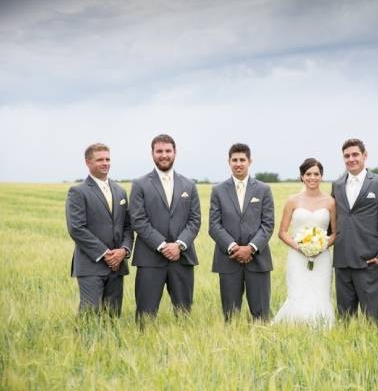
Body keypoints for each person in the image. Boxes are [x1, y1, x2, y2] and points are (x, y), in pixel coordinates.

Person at [129, 134, 201, 319]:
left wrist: (179, 245)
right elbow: (138, 220)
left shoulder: (189, 185)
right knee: (145, 316)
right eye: (159, 151)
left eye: (168, 151)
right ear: (152, 153)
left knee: (184, 315)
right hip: (150, 259)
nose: (164, 155)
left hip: (182, 258)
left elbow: (195, 220)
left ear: (175, 153)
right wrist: (162, 245)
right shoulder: (140, 184)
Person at [331, 138, 378, 323]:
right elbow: (334, 220)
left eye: (355, 155)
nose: (351, 159)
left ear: (364, 155)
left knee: (373, 320)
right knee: (344, 321)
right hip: (342, 261)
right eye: (346, 156)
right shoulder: (337, 185)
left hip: (369, 261)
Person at [209, 143, 274, 321]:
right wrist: (234, 248)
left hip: (258, 260)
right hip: (228, 260)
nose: (238, 164)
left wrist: (251, 248)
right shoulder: (218, 191)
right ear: (229, 162)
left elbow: (268, 225)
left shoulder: (263, 190)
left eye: (242, 160)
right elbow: (214, 225)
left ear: (249, 161)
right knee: (230, 316)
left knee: (261, 315)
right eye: (234, 160)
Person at [66, 143, 133, 316]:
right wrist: (105, 253)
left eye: (108, 159)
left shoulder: (120, 191)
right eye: (100, 160)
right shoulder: (78, 192)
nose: (105, 163)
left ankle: (109, 344)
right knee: (90, 315)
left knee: (113, 316)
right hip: (91, 265)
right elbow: (76, 228)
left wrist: (123, 251)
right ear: (88, 163)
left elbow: (127, 226)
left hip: (117, 265)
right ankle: (84, 345)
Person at [274, 158, 336, 326]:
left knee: (321, 292)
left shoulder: (330, 202)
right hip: (297, 256)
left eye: (316, 174)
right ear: (302, 176)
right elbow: (282, 232)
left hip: (322, 256)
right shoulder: (292, 200)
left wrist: (321, 246)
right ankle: (296, 326)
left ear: (322, 176)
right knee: (298, 292)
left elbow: (336, 234)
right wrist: (300, 247)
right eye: (308, 174)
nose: (312, 177)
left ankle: (322, 325)